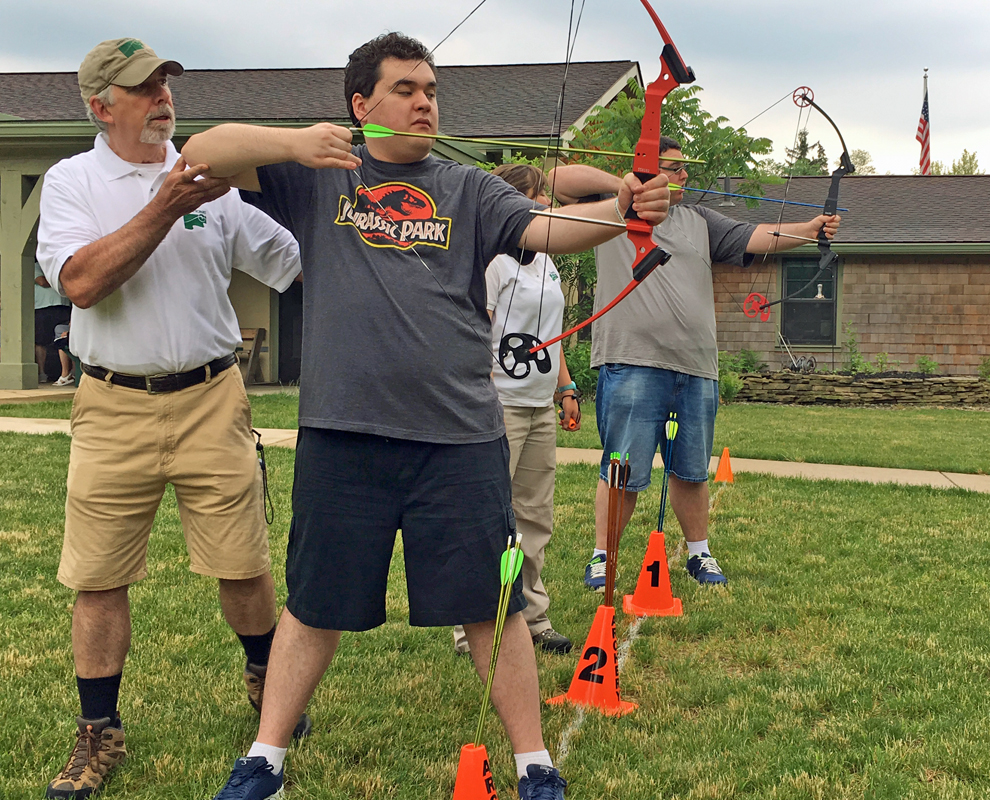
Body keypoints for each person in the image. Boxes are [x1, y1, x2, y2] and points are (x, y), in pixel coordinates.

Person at [182, 31, 669, 800]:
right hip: (345, 434)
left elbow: (549, 230)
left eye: (431, 90)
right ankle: (265, 759)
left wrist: (629, 208)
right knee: (313, 606)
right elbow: (204, 152)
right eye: (405, 88)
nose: (423, 102)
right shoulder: (319, 177)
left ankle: (533, 764)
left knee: (490, 606)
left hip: (459, 437)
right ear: (360, 103)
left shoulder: (469, 189)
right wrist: (300, 143)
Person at [36, 38, 307, 800]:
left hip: (212, 397)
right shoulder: (72, 182)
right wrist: (164, 207)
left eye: (166, 83)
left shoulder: (211, 183)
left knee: (242, 563)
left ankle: (265, 677)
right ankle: (98, 733)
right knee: (98, 577)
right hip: (112, 403)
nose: (162, 98)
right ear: (101, 105)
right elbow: (83, 282)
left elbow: (292, 261)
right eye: (142, 87)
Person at [549, 140, 840, 590]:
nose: (681, 176)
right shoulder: (611, 208)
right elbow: (556, 179)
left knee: (691, 468)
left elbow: (759, 236)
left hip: (696, 366)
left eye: (683, 170)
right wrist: (630, 188)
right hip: (632, 361)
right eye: (671, 168)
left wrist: (813, 228)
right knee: (622, 468)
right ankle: (603, 557)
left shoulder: (700, 220)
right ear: (645, 168)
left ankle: (699, 554)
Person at [452, 163, 580, 658]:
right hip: (499, 406)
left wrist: (565, 388)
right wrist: (482, 397)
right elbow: (475, 335)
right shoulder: (495, 262)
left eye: (545, 198)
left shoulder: (545, 261)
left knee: (533, 517)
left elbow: (551, 337)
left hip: (538, 408)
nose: (544, 206)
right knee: (489, 518)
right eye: (534, 199)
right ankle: (471, 628)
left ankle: (532, 616)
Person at [34, 261, 74, 386]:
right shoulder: (36, 265)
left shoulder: (61, 264)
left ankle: (71, 373)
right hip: (43, 307)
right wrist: (60, 280)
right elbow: (42, 282)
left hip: (64, 306)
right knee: (41, 341)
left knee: (66, 337)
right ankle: (42, 374)